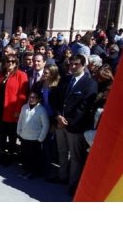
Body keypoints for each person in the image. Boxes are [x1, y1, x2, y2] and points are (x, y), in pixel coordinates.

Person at [50, 54, 98, 196]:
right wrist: (58, 116)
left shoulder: (90, 83)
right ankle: (62, 176)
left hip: (75, 127)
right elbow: (55, 99)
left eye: (76, 64)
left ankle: (73, 184)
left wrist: (68, 122)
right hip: (60, 123)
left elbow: (83, 107)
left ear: (84, 65)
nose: (72, 66)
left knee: (76, 157)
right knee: (62, 152)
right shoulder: (65, 80)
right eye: (71, 64)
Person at [0, 54, 28, 166]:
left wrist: (18, 110)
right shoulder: (2, 74)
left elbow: (22, 95)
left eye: (12, 61)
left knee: (11, 135)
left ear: (16, 63)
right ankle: (2, 154)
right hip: (0, 109)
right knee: (2, 134)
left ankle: (10, 155)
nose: (10, 63)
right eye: (7, 61)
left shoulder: (21, 75)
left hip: (12, 110)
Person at [16, 90, 50, 179]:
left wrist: (40, 138)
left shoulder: (41, 110)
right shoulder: (24, 107)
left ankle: (32, 172)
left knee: (33, 157)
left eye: (34, 97)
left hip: (35, 139)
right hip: (24, 137)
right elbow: (20, 120)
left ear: (38, 99)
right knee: (25, 155)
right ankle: (25, 170)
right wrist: (18, 131)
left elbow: (46, 125)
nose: (31, 99)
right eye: (30, 97)